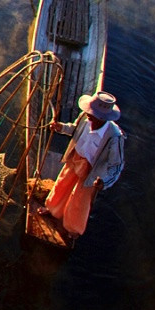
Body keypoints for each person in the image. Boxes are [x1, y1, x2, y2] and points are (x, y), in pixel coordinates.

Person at [38, 91, 126, 238]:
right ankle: (53, 209)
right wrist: (61, 127)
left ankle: (73, 228)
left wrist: (103, 182)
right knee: (62, 184)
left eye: (92, 113)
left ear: (102, 118)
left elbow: (116, 165)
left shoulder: (114, 137)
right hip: (76, 158)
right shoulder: (86, 117)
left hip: (92, 170)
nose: (88, 114)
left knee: (80, 199)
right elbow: (74, 129)